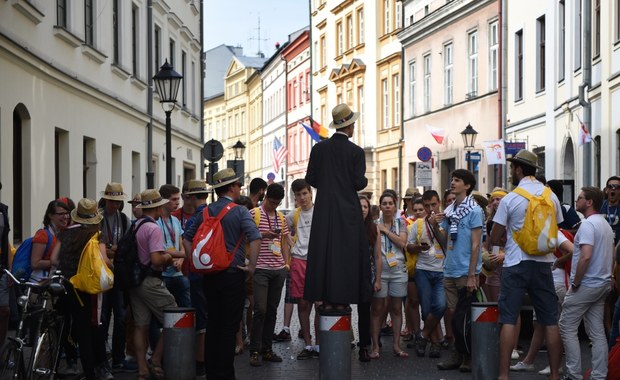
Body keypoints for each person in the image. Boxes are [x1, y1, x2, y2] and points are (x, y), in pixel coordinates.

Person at [489, 149, 564, 380]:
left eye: (513, 167)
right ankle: (553, 374)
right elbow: (557, 226)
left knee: (509, 318)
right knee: (550, 319)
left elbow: (494, 237)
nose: (511, 171)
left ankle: (503, 375)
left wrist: (503, 236)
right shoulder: (550, 196)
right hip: (543, 263)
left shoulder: (511, 198)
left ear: (519, 169)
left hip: (515, 262)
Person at [182, 168, 261, 380]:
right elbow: (255, 237)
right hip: (232, 274)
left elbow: (187, 238)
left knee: (213, 323)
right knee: (229, 326)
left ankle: (212, 373)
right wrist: (251, 267)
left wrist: (194, 262)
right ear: (232, 187)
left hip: (209, 276)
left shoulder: (205, 212)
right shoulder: (239, 211)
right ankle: (225, 374)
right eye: (238, 184)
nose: (240, 187)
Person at [304, 103, 371, 309]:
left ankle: (323, 296)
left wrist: (327, 184)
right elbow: (359, 182)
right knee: (347, 252)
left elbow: (311, 178)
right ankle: (344, 297)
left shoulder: (319, 149)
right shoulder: (356, 152)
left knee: (323, 250)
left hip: (324, 207)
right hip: (348, 209)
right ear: (350, 127)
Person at [51, 198, 111, 380]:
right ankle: (92, 372)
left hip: (68, 286)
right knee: (91, 329)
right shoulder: (97, 233)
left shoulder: (65, 233)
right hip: (88, 289)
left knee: (74, 327)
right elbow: (104, 260)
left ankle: (71, 364)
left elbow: (54, 259)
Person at [559, 187, 614, 380]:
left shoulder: (588, 225)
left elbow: (586, 256)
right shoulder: (605, 224)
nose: (576, 200)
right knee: (596, 331)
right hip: (602, 284)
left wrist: (575, 282)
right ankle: (599, 375)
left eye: (580, 198)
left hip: (587, 284)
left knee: (566, 326)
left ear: (589, 202)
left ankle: (573, 374)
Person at [433, 169, 483, 372]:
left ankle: (469, 356)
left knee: (465, 316)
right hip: (450, 269)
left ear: (467, 186)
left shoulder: (474, 210)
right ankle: (458, 352)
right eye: (452, 179)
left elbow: (476, 245)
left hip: (465, 271)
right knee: (455, 317)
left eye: (457, 180)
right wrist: (436, 227)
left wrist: (472, 275)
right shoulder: (450, 210)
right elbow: (446, 242)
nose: (452, 183)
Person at [248, 183, 290, 366]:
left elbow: (285, 242)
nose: (274, 206)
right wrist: (262, 234)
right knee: (260, 310)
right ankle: (255, 350)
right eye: (272, 202)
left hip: (278, 270)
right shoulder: (254, 214)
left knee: (272, 311)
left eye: (277, 203)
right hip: (261, 270)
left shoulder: (281, 218)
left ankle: (267, 349)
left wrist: (287, 264)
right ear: (265, 198)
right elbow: (245, 235)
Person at [407, 190, 447, 359]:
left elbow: (446, 242)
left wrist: (435, 226)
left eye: (434, 205)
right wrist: (418, 247)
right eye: (427, 206)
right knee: (426, 309)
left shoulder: (446, 221)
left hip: (442, 271)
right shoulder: (418, 224)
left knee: (440, 305)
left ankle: (423, 336)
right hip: (423, 270)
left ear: (439, 203)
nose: (431, 208)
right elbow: (409, 246)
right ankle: (436, 342)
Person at [98, 182, 133, 373]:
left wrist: (114, 250)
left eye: (118, 202)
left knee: (120, 317)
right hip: (102, 274)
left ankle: (118, 358)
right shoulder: (98, 218)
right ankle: (101, 357)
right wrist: (111, 250)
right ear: (106, 200)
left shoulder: (124, 219)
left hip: (118, 274)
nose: (115, 205)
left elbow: (126, 247)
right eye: (112, 201)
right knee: (102, 317)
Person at [370, 191, 409, 359]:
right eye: (384, 203)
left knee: (396, 307)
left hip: (399, 270)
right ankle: (375, 346)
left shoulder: (401, 224)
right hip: (381, 271)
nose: (387, 206)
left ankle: (396, 345)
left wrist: (385, 231)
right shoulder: (373, 224)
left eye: (390, 203)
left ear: (395, 206)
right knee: (377, 308)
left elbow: (402, 243)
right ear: (380, 207)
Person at [178, 179, 210, 376]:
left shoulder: (195, 219)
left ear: (191, 197)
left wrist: (193, 261)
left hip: (198, 273)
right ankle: (211, 357)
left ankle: (201, 360)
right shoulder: (217, 214)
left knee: (202, 317)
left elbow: (186, 239)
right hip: (217, 272)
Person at [286, 179, 321, 360]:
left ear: (310, 193)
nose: (302, 197)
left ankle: (319, 344)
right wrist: (292, 246)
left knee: (319, 304)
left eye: (304, 193)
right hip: (299, 261)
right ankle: (308, 344)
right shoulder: (293, 215)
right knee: (303, 304)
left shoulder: (320, 212)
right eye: (298, 195)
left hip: (317, 262)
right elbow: (286, 232)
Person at [358, 195, 382, 361]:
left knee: (364, 311)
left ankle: (364, 346)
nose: (362, 209)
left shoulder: (373, 228)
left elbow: (378, 256)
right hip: (350, 274)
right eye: (359, 206)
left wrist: (378, 279)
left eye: (365, 207)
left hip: (367, 274)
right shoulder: (348, 225)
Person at [157, 184, 189, 307]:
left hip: (177, 272)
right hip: (163, 273)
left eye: (178, 199)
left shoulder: (175, 220)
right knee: (164, 310)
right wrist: (183, 255)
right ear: (164, 201)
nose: (177, 203)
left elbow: (181, 244)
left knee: (186, 307)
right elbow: (158, 249)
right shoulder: (156, 221)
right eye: (174, 199)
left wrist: (180, 260)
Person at [30, 200, 70, 281]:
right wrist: (57, 262)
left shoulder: (63, 233)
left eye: (66, 213)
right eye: (61, 214)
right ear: (50, 215)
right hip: (43, 282)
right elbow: (35, 263)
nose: (65, 217)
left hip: (57, 280)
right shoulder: (43, 235)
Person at [0, 182, 10, 347]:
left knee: (4, 311)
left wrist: (9, 269)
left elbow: (5, 241)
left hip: (0, 269)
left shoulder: (2, 210)